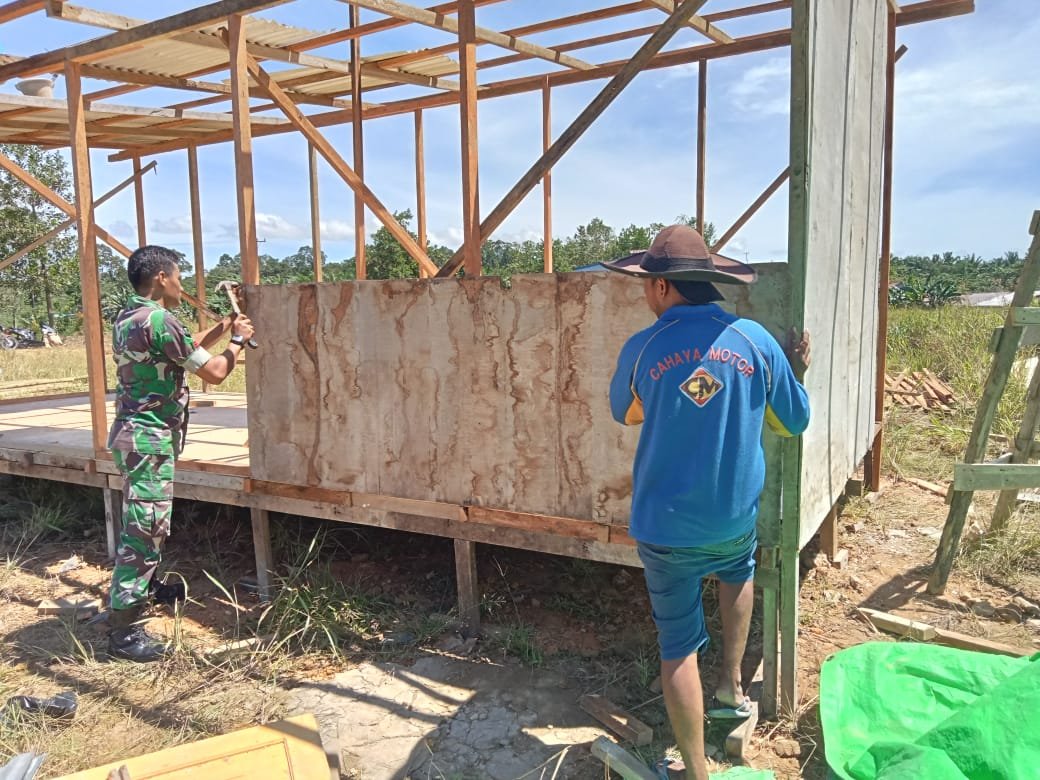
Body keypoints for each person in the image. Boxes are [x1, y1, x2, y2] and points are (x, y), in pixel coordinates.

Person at [603, 225, 811, 779]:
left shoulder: (644, 346)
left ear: (666, 287)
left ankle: (695, 771)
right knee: (736, 571)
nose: (645, 294)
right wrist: (791, 373)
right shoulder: (754, 340)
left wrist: (679, 398)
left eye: (648, 285)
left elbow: (627, 413)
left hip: (664, 525)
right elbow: (795, 421)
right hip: (732, 517)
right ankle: (732, 685)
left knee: (677, 648)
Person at [106, 245, 255, 662]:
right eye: (177, 276)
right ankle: (124, 633)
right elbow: (215, 372)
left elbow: (185, 350)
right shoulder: (160, 319)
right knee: (144, 530)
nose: (180, 283)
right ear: (160, 278)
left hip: (133, 439)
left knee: (143, 520)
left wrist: (225, 326)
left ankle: (146, 590)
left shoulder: (130, 317)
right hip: (148, 441)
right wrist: (239, 341)